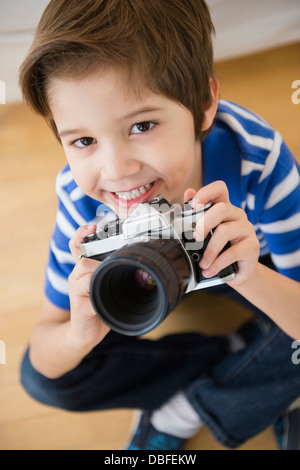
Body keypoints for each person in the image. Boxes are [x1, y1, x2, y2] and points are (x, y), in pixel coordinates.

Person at [19, 0, 300, 450]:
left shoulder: (256, 159)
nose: (116, 171)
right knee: (44, 381)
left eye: (142, 125)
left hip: (248, 260)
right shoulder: (81, 197)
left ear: (205, 104)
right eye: (84, 140)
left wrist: (251, 277)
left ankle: (187, 408)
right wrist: (79, 331)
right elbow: (45, 355)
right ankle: (246, 359)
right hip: (142, 282)